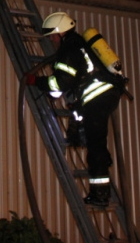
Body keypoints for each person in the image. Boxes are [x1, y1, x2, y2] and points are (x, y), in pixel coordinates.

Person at [27, 11, 124, 206]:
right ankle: (101, 181)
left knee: (96, 143)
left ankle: (100, 194)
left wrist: (37, 81)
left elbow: (60, 82)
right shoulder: (79, 44)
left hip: (97, 97)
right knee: (94, 140)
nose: (52, 40)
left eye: (53, 36)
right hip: (104, 94)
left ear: (61, 33)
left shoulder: (69, 50)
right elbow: (64, 83)